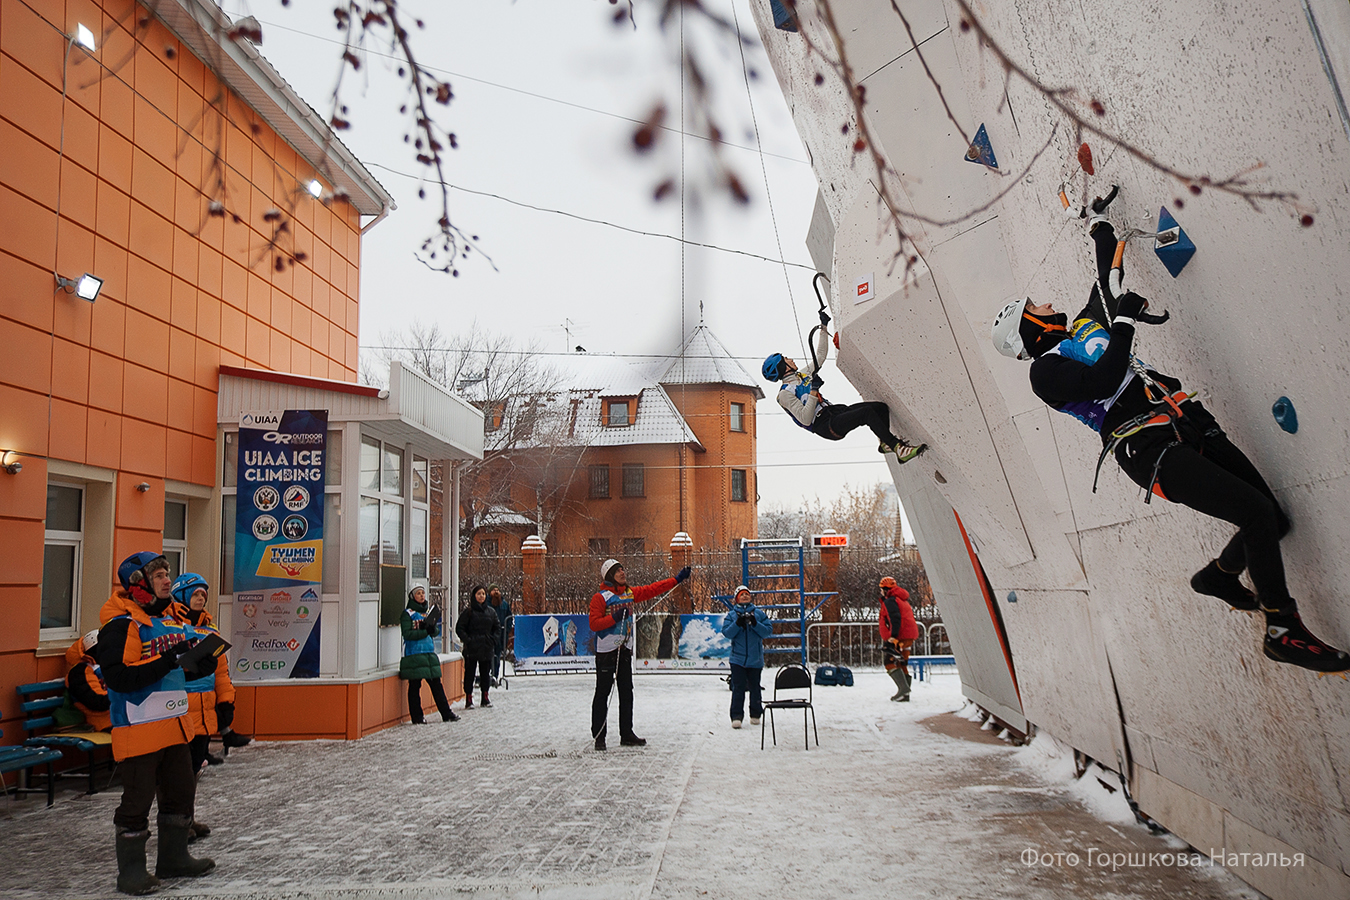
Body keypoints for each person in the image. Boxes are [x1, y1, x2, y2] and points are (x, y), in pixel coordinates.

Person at [991, 211, 1349, 674]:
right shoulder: (1044, 373)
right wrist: (1123, 324)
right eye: (1034, 308)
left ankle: (1218, 577)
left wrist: (1101, 229)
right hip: (1148, 451)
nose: (1044, 305)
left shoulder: (1084, 325)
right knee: (1255, 514)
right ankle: (1282, 629)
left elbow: (1106, 280)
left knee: (1271, 519)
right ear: (1029, 330)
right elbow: (1102, 379)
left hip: (1186, 421)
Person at [95, 552, 215, 894]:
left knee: (181, 793)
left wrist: (200, 662)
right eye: (159, 575)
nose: (167, 580)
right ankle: (130, 873)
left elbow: (180, 668)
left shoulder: (171, 621)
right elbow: (118, 677)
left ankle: (174, 859)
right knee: (137, 800)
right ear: (138, 585)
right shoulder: (121, 625)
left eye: (167, 573)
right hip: (138, 727)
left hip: (174, 725)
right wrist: (168, 660)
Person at [763, 308, 926, 464]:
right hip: (825, 425)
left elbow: (819, 356)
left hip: (833, 411)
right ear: (782, 367)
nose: (790, 359)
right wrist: (813, 390)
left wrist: (823, 327)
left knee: (880, 408)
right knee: (866, 413)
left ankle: (885, 443)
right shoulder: (784, 394)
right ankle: (899, 449)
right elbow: (805, 419)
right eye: (786, 359)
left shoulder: (802, 375)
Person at [589, 558, 690, 750]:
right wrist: (614, 618)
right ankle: (599, 736)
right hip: (606, 653)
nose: (622, 572)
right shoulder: (600, 597)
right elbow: (594, 624)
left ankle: (626, 733)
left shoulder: (629, 593)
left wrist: (676, 580)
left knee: (626, 693)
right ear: (610, 575)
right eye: (618, 570)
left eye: (623, 569)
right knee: (602, 693)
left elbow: (653, 589)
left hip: (625, 650)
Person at [168, 573, 236, 842]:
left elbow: (221, 673)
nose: (200, 598)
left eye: (203, 595)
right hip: (180, 709)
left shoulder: (210, 631)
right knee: (178, 773)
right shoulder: (172, 626)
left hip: (206, 711)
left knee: (195, 769)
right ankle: (176, 825)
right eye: (195, 594)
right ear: (182, 596)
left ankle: (188, 818)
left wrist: (226, 702)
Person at [400, 585, 459, 723]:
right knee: (415, 686)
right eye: (418, 593)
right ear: (412, 596)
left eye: (423, 593)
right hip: (414, 654)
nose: (422, 596)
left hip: (428, 653)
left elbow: (435, 632)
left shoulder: (427, 612)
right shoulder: (407, 614)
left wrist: (431, 628)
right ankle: (417, 717)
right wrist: (425, 631)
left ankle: (446, 713)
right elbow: (407, 634)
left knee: (436, 684)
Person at [719, 586, 773, 728]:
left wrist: (755, 623)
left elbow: (767, 631)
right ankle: (736, 716)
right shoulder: (731, 615)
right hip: (737, 659)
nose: (745, 596)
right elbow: (727, 633)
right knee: (738, 688)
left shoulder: (759, 614)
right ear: (736, 598)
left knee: (755, 688)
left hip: (755, 659)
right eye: (742, 595)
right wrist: (738, 624)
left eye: (747, 594)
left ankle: (755, 714)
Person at [456, 585, 500, 709]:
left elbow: (497, 628)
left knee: (485, 674)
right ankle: (469, 698)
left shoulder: (491, 612)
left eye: (483, 594)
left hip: (486, 647)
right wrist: (468, 640)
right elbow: (460, 628)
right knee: (469, 674)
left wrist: (492, 640)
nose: (481, 596)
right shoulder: (468, 612)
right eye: (479, 594)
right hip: (472, 648)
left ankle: (485, 697)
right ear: (474, 596)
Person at [878, 576, 918, 701]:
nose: (880, 592)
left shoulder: (891, 601)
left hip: (899, 636)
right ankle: (905, 695)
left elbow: (895, 618)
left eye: (881, 589)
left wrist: (893, 636)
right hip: (908, 635)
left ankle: (903, 690)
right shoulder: (902, 599)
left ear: (885, 589)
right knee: (901, 662)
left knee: (889, 662)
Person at [65, 629, 112, 732]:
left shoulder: (107, 667)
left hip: (118, 718)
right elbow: (95, 701)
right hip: (102, 721)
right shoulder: (80, 672)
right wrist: (123, 696)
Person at [488, 585, 513, 686]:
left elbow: (509, 618)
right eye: (494, 590)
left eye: (497, 590)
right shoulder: (486, 604)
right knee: (488, 656)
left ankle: (495, 676)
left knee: (497, 656)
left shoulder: (504, 604)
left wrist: (506, 630)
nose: (496, 592)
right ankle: (487, 676)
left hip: (501, 635)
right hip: (489, 634)